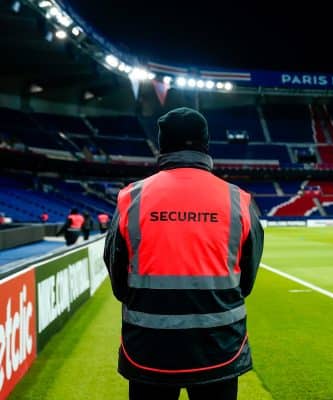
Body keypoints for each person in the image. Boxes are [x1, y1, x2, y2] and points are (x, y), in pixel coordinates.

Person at [103, 107, 264, 400]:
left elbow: (117, 277)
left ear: (162, 145)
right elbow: (247, 279)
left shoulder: (131, 198)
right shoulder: (238, 199)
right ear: (206, 144)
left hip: (148, 347)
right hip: (219, 347)